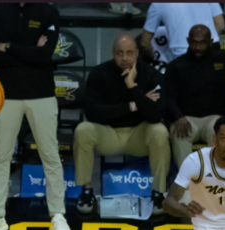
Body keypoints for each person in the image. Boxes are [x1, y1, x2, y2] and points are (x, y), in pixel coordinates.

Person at [0, 2, 71, 230]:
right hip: (6, 94)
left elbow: (44, 55)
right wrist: (28, 51)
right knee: (1, 157)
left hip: (41, 94)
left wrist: (7, 47)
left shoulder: (48, 11)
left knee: (50, 155)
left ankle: (58, 215)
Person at [73, 34, 170, 217]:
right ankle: (87, 192)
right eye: (120, 53)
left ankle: (158, 194)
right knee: (83, 130)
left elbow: (156, 115)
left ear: (137, 53)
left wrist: (132, 87)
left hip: (139, 136)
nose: (125, 58)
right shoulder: (99, 73)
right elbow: (93, 113)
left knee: (160, 131)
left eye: (129, 53)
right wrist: (134, 105)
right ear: (113, 53)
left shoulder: (152, 75)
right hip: (108, 134)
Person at [164, 24, 225, 170]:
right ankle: (187, 183)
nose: (197, 47)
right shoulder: (176, 66)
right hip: (186, 118)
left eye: (202, 42)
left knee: (222, 131)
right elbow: (167, 97)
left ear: (210, 42)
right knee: (179, 132)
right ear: (187, 41)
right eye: (194, 42)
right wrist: (178, 116)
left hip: (215, 117)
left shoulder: (224, 59)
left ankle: (214, 182)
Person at [139, 2, 223, 62]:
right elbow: (220, 25)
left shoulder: (157, 4)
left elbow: (145, 43)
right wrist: (204, 42)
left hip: (183, 55)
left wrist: (150, 57)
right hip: (212, 49)